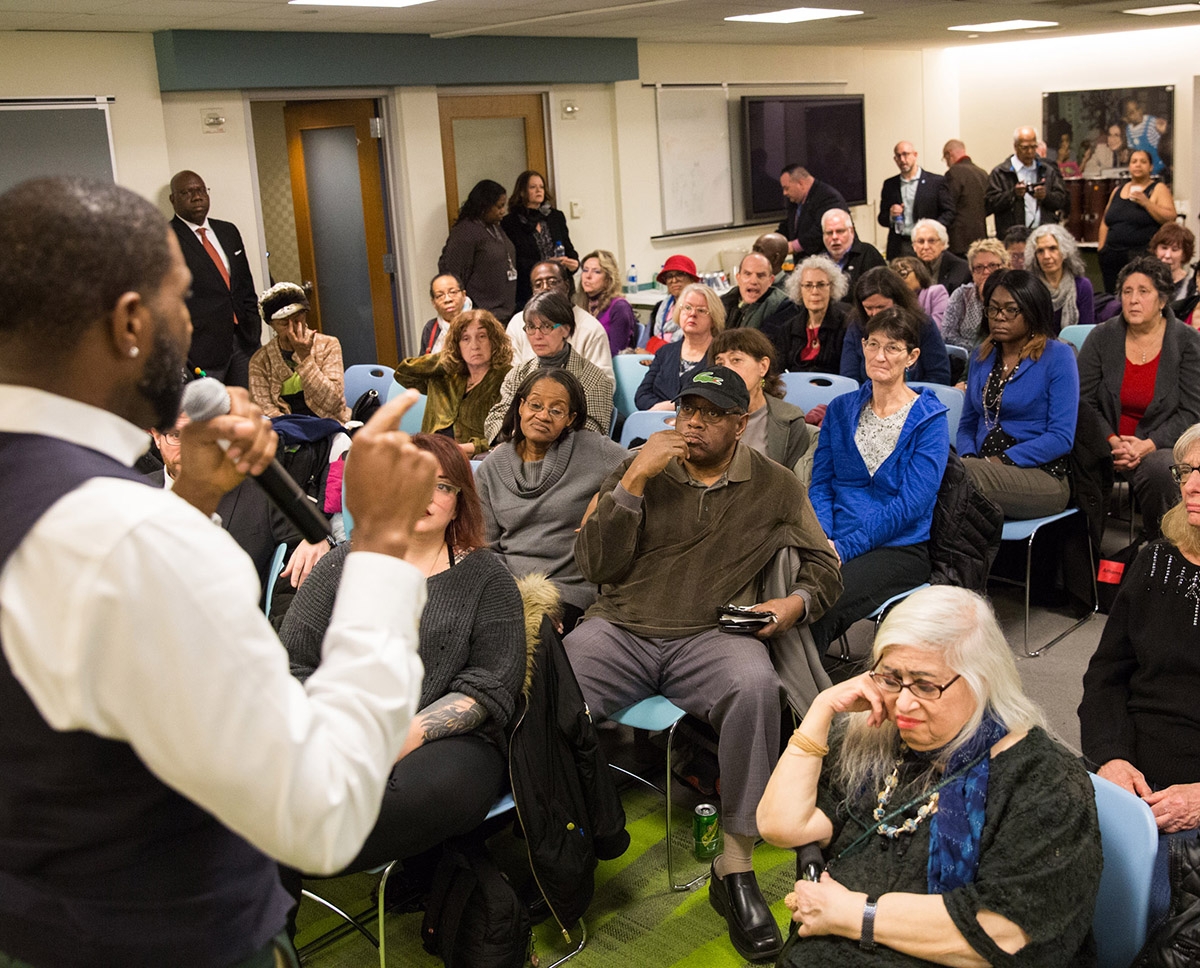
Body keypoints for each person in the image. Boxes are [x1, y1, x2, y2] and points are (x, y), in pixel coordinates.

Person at [0, 176, 437, 966]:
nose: (193, 325)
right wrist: (379, 545)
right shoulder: (128, 538)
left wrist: (195, 497)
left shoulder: (89, 516)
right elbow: (322, 811)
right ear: (130, 324)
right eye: (180, 299)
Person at [566, 364, 842, 963]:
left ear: (740, 424)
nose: (693, 422)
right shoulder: (639, 466)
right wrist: (633, 481)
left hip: (709, 634)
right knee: (552, 698)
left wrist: (792, 606)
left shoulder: (773, 485)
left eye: (712, 414)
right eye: (687, 408)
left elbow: (825, 565)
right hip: (620, 627)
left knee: (756, 684)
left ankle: (733, 866)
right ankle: (567, 841)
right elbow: (594, 566)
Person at [758, 585, 1102, 967]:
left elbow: (1005, 934)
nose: (903, 703)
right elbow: (782, 826)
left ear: (982, 680)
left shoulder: (1045, 782)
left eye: (925, 685)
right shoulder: (880, 737)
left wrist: (855, 914)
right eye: (891, 679)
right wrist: (821, 709)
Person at [280, 432, 525, 876]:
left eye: (443, 485)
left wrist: (401, 737)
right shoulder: (342, 563)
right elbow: (293, 661)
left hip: (450, 745)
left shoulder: (488, 577)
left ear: (458, 503)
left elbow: (490, 686)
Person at [1079, 423, 1200, 929]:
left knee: (1142, 907)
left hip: (1192, 795)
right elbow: (1107, 676)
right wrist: (1112, 758)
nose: (1192, 486)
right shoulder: (1155, 561)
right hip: (1128, 778)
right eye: (1187, 471)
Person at [807, 307, 949, 651]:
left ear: (912, 357)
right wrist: (822, 538)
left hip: (899, 547)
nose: (880, 356)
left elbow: (911, 505)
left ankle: (794, 684)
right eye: (873, 344)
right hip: (834, 538)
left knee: (818, 601)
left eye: (892, 348)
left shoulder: (929, 419)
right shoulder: (841, 409)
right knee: (773, 586)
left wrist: (844, 548)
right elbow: (821, 483)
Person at [476, 369, 627, 631]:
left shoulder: (594, 449)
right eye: (535, 405)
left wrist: (605, 493)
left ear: (570, 419)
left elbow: (643, 462)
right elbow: (486, 549)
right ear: (521, 406)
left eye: (556, 410)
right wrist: (512, 595)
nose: (543, 415)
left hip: (570, 592)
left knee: (535, 632)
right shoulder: (491, 467)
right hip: (508, 590)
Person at [1078, 256, 1200, 539]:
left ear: (1162, 299)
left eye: (1143, 291)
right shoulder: (1101, 336)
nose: (1133, 300)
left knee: (1164, 469)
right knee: (1076, 456)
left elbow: (1191, 411)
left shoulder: (1187, 342)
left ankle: (1160, 547)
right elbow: (1084, 401)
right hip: (1104, 441)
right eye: (1127, 291)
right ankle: (1086, 554)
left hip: (1159, 444)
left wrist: (1147, 445)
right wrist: (1112, 440)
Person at [958, 270, 1079, 520]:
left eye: (1011, 310)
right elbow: (967, 425)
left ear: (1032, 311)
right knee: (941, 470)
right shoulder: (981, 355)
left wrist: (996, 461)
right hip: (978, 466)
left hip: (1041, 474)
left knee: (962, 477)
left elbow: (1061, 437)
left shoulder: (1058, 356)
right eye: (993, 309)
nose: (999, 316)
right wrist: (968, 457)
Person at [168, 169, 261, 387]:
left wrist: (254, 325)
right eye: (187, 192)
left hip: (243, 342)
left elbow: (244, 284)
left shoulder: (228, 231)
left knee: (244, 403)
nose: (197, 197)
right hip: (201, 349)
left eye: (201, 190)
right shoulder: (167, 237)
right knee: (211, 407)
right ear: (173, 199)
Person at [485, 290, 613, 441]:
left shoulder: (594, 379)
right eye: (531, 327)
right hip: (517, 448)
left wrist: (539, 437)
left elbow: (592, 435)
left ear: (566, 329)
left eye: (546, 326)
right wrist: (517, 437)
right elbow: (496, 418)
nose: (537, 335)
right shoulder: (518, 373)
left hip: (568, 454)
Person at [393, 308, 513, 456]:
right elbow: (403, 373)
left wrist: (466, 448)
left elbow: (507, 436)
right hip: (431, 454)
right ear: (457, 344)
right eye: (465, 338)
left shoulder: (507, 378)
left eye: (482, 336)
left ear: (494, 340)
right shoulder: (444, 375)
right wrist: (448, 358)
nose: (474, 346)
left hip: (474, 459)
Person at [710, 327, 812, 471]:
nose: (725, 370)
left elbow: (795, 479)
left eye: (736, 360)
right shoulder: (703, 416)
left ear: (763, 366)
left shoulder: (790, 420)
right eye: (719, 363)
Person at [248, 282, 351, 423]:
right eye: (284, 323)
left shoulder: (328, 345)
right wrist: (292, 427)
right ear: (272, 325)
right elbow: (264, 409)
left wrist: (305, 357)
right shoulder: (260, 360)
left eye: (298, 319)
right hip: (284, 428)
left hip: (328, 423)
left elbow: (333, 402)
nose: (293, 328)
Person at [840, 267, 952, 386]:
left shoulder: (923, 324)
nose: (875, 313)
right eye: (868, 308)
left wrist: (906, 395)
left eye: (881, 307)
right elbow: (850, 377)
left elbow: (939, 375)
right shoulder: (856, 325)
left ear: (898, 302)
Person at [505, 260, 614, 378]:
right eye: (538, 285)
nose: (545, 288)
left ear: (566, 287)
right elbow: (511, 375)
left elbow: (604, 382)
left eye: (552, 282)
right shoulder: (517, 323)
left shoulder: (591, 328)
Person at [438, 178, 518, 323]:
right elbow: (453, 273)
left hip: (504, 312)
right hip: (480, 314)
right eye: (499, 206)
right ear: (484, 206)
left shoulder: (494, 226)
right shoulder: (465, 231)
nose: (503, 211)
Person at [1097, 149, 1177, 294]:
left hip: (1140, 257)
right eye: (1134, 161)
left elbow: (1170, 217)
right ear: (1129, 166)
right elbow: (1105, 221)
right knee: (1112, 298)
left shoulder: (1158, 189)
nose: (1138, 165)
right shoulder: (1117, 190)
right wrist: (1102, 248)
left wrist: (1147, 203)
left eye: (1143, 162)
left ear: (1150, 167)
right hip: (1111, 256)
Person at [635, 282, 724, 411]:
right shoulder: (665, 352)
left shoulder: (721, 356)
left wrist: (674, 407)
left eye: (701, 310)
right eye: (687, 307)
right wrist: (662, 411)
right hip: (657, 419)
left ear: (713, 318)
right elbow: (641, 396)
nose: (692, 314)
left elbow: (716, 401)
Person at [501, 169, 579, 311]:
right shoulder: (510, 222)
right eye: (533, 187)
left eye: (541, 187)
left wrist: (574, 264)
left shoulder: (555, 217)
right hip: (529, 288)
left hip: (558, 287)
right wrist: (546, 264)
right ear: (522, 192)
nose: (539, 190)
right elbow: (513, 260)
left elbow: (569, 249)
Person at [985, 126, 1068, 238]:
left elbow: (1062, 200)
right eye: (1025, 148)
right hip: (1013, 237)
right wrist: (1013, 194)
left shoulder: (1047, 170)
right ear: (1015, 146)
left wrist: (1046, 196)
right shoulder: (1001, 173)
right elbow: (989, 205)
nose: (1030, 152)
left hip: (1043, 236)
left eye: (1033, 147)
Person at [877, 141, 953, 260]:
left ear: (915, 155)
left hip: (927, 244)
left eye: (905, 154)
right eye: (898, 156)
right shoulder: (890, 185)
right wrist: (891, 215)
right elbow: (882, 218)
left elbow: (949, 212)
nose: (902, 160)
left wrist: (933, 230)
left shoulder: (935, 182)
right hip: (900, 245)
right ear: (895, 159)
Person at [778, 255, 852, 374]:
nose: (814, 291)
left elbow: (848, 372)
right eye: (808, 285)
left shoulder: (846, 326)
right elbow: (778, 371)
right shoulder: (788, 329)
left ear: (831, 287)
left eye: (821, 285)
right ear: (800, 290)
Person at [940, 238, 1009, 351]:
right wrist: (979, 350)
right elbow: (946, 336)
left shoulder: (1015, 295)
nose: (986, 272)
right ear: (972, 273)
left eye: (992, 265)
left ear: (1005, 267)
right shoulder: (961, 295)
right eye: (979, 267)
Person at [1026, 223, 1095, 334]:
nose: (1046, 256)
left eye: (1052, 248)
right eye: (1040, 251)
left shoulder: (1082, 286)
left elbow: (1086, 332)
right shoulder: (1030, 288)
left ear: (1065, 252)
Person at [778, 164, 849, 257]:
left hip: (830, 259)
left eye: (786, 188)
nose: (784, 193)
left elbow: (821, 231)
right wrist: (774, 241)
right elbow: (789, 226)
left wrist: (793, 247)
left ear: (801, 183)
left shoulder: (828, 197)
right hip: (805, 261)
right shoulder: (795, 200)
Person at [578, 248, 637, 356]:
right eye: (585, 270)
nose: (588, 276)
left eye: (596, 271)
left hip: (608, 363)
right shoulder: (582, 304)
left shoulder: (620, 308)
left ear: (608, 279)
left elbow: (616, 352)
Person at [821, 209, 886, 302]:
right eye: (829, 233)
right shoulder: (819, 261)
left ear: (851, 231)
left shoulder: (868, 254)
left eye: (840, 231)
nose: (834, 237)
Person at [940, 139, 989, 257]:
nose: (946, 163)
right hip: (980, 237)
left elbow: (949, 206)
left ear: (949, 154)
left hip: (959, 241)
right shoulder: (982, 173)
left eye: (945, 159)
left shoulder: (953, 173)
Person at [722, 251, 791, 333]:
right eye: (747, 274)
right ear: (738, 278)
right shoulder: (724, 302)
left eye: (760, 275)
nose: (753, 281)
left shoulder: (783, 306)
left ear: (771, 280)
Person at [646, 254, 699, 351]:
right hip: (657, 355)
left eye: (680, 274)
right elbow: (647, 339)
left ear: (691, 279)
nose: (674, 280)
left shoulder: (698, 310)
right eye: (669, 276)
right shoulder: (660, 308)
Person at [910, 218, 971, 296]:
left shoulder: (962, 271)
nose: (926, 247)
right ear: (914, 246)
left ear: (943, 243)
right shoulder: (909, 270)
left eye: (931, 241)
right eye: (921, 241)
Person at [418, 273, 468, 355]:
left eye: (452, 292)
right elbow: (423, 362)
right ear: (433, 303)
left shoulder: (480, 322)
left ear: (463, 295)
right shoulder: (430, 328)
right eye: (440, 295)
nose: (447, 299)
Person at [890, 256, 948, 327]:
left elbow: (939, 325)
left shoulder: (936, 292)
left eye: (903, 274)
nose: (899, 280)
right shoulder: (893, 300)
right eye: (895, 276)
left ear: (919, 272)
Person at [1150, 221, 1197, 308]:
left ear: (1184, 254)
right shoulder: (1145, 278)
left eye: (1174, 249)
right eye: (1164, 248)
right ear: (1156, 250)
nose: (1167, 255)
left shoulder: (1193, 284)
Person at [1122, 97, 1169, 176]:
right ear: (1125, 119)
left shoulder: (1151, 123)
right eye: (1131, 113)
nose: (1137, 113)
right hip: (1146, 171)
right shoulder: (1129, 130)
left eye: (1138, 108)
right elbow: (1132, 149)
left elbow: (1164, 144)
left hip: (1161, 168)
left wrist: (1164, 131)